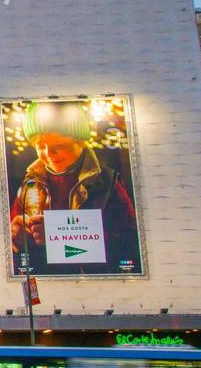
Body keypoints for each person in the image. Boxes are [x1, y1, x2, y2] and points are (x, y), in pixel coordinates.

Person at [9, 100, 140, 273]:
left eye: (60, 145)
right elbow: (13, 252)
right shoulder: (31, 184)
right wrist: (15, 241)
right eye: (41, 146)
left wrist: (59, 237)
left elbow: (128, 244)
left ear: (82, 142)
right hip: (46, 285)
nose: (48, 153)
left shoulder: (107, 183)